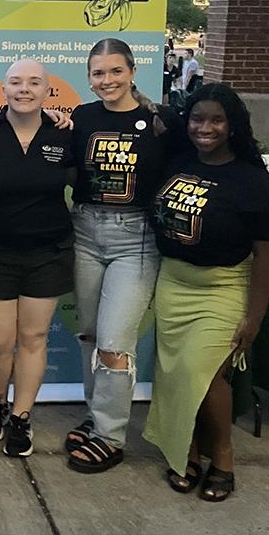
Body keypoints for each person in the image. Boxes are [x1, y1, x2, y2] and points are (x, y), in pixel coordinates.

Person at [144, 83, 269, 502]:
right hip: (173, 282)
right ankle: (184, 448)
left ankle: (222, 455)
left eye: (217, 120)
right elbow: (158, 113)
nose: (205, 128)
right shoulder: (179, 157)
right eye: (198, 119)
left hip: (222, 289)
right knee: (173, 374)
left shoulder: (255, 184)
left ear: (233, 125)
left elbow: (265, 257)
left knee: (200, 373)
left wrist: (254, 317)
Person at [65, 38, 187, 474]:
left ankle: (110, 435)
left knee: (116, 344)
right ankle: (94, 415)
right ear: (89, 77)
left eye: (116, 71)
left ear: (133, 71)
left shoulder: (161, 122)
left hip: (135, 239)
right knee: (91, 335)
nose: (107, 81)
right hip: (84, 231)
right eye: (98, 73)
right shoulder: (82, 117)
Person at [0, 58, 75, 457]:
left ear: (47, 91)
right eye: (16, 82)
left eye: (34, 83)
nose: (25, 89)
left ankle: (21, 416)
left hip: (47, 252)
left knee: (32, 339)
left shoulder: (64, 135)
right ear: (4, 89)